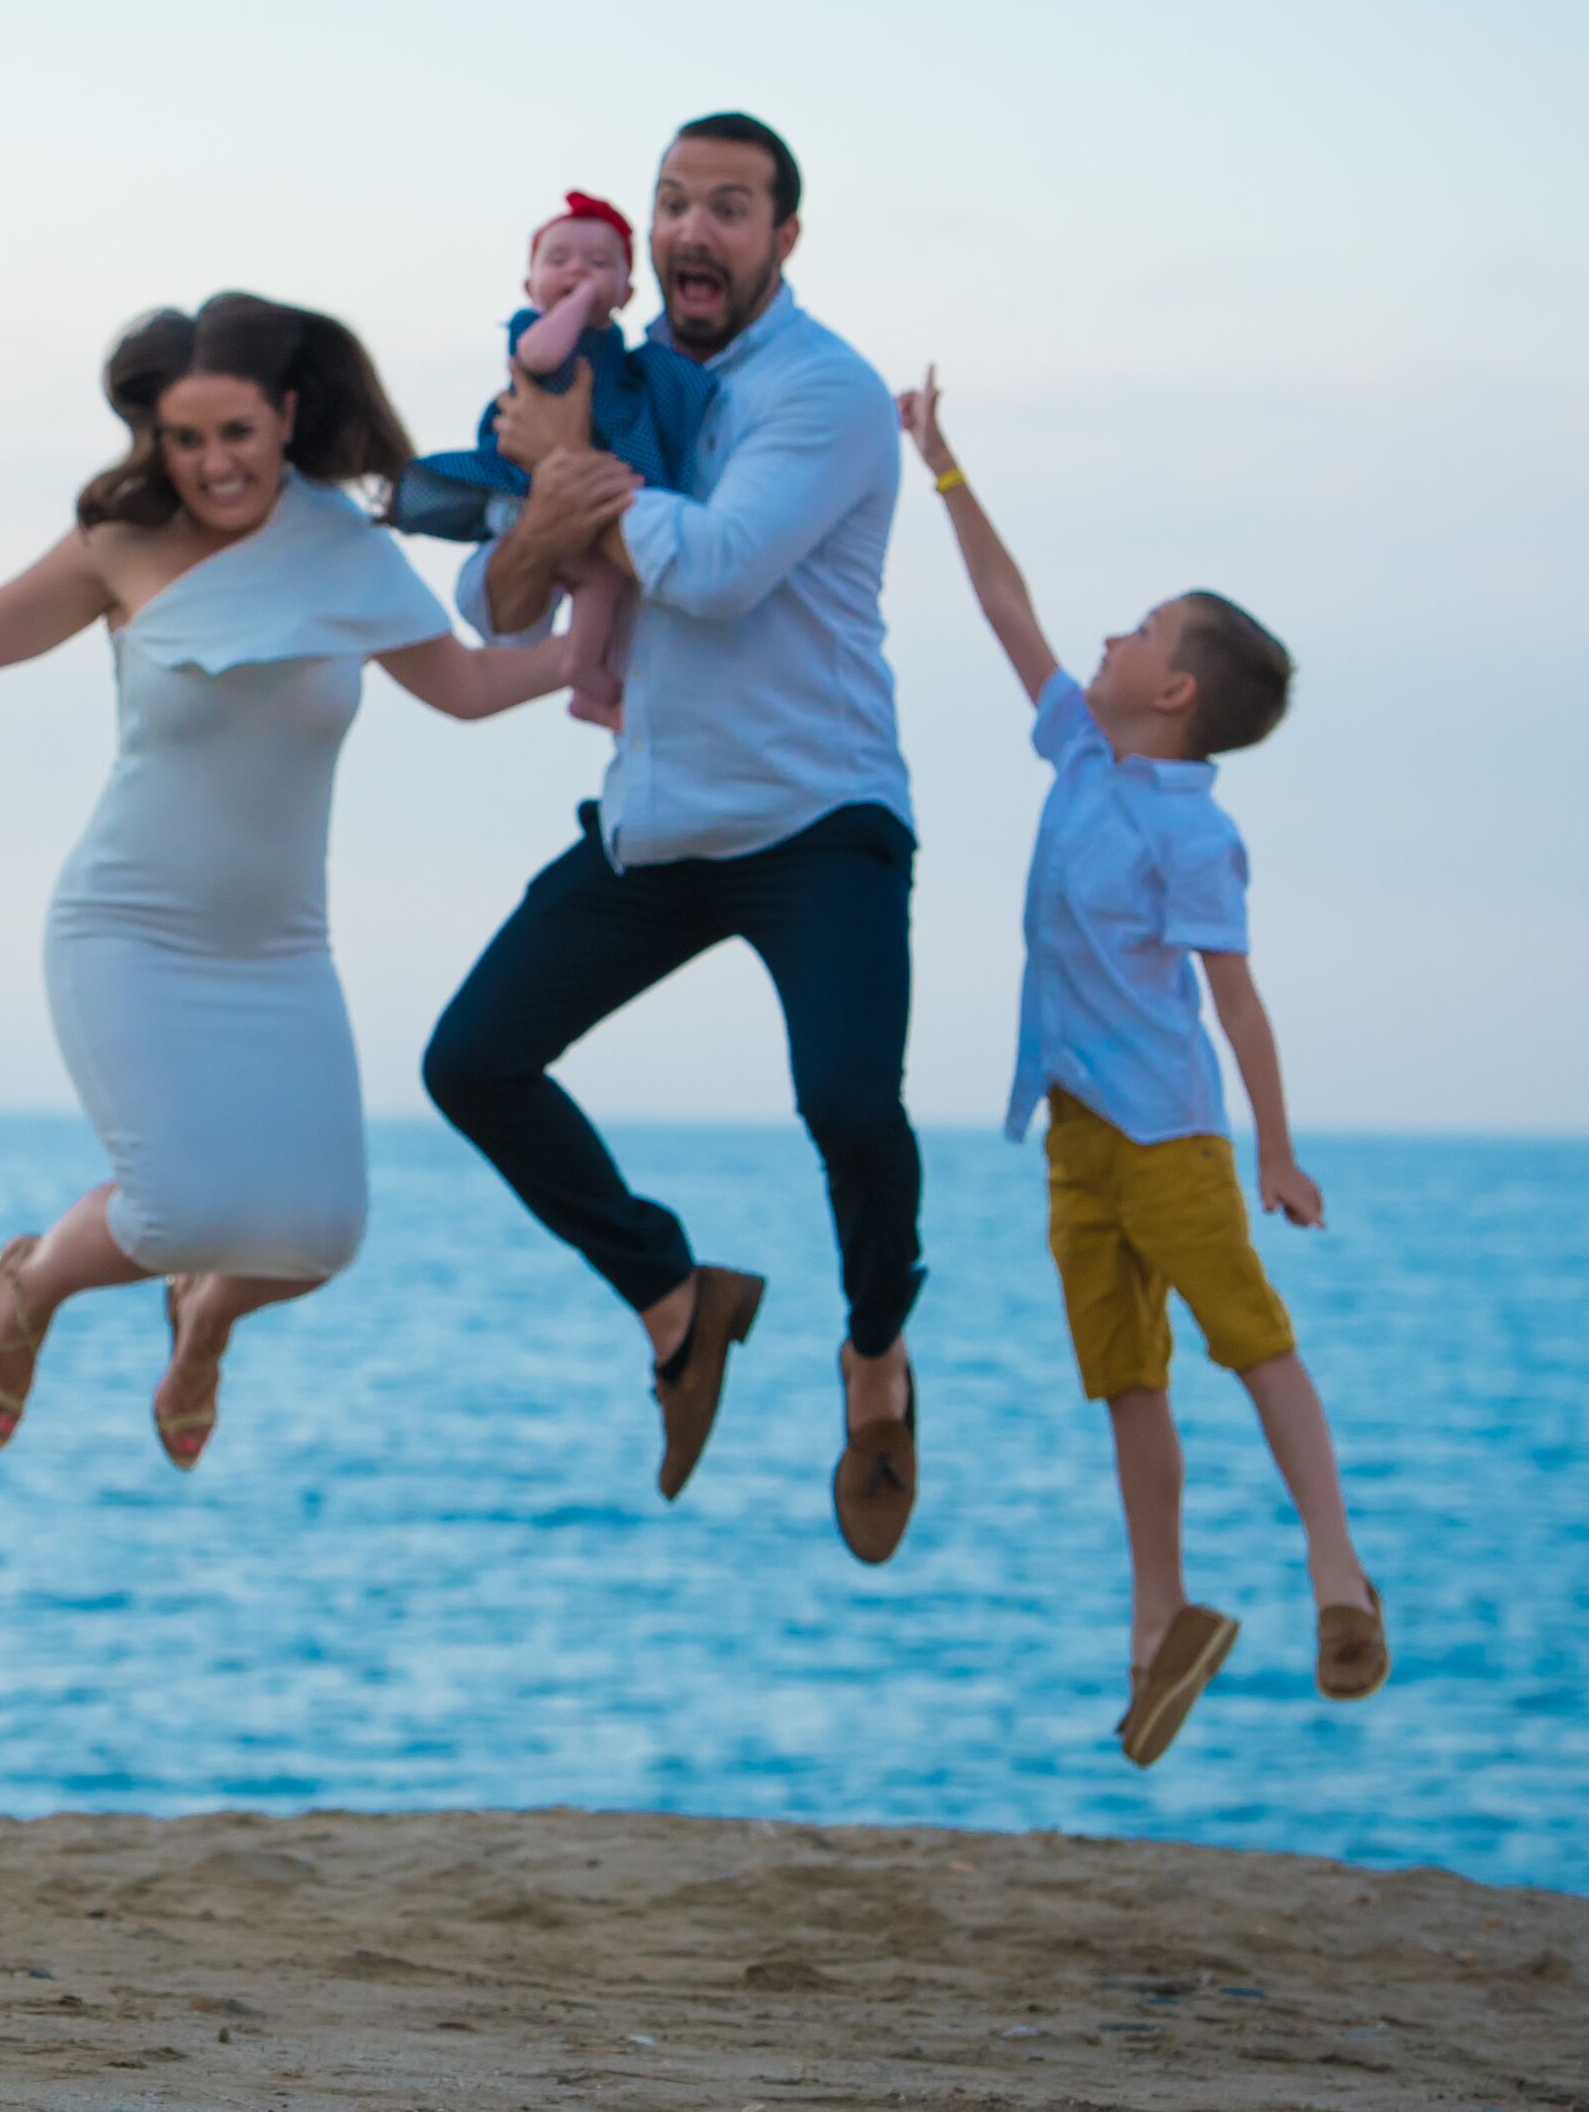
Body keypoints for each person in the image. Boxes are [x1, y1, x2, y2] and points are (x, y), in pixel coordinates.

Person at [0, 294, 568, 1472]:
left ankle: (203, 1316)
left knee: (321, 1235)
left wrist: (604, 649)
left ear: (286, 415)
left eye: (234, 432)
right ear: (154, 439)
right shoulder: (120, 545)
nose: (212, 464)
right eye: (185, 439)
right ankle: (28, 1284)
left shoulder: (344, 552)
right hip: (129, 928)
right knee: (180, 1203)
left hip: (282, 944)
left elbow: (472, 688)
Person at [419, 112, 931, 1563]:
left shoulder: (822, 395)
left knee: (845, 1104)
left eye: (729, 206)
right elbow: (496, 603)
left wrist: (579, 467)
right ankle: (673, 1297)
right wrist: (553, 492)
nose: (692, 231)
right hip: (658, 817)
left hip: (820, 812)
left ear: (783, 237)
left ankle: (876, 1354)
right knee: (472, 1062)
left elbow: (711, 569)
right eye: (671, 205)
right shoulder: (607, 377)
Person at [898, 370, 1387, 1765]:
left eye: (1141, 628)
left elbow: (1238, 1003)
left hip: (1171, 1136)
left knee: (1251, 1341)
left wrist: (1275, 1150)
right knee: (1127, 1379)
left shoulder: (1190, 828)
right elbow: (1006, 604)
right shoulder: (1078, 752)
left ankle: (1340, 1577)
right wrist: (944, 467)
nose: (1106, 634)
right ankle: (1157, 1622)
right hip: (1074, 1141)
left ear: (1171, 690)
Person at [386, 189, 716, 733]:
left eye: (598, 263)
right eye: (557, 261)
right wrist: (577, 304)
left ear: (628, 293)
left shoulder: (627, 358)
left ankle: (585, 674)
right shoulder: (534, 328)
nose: (577, 271)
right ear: (529, 285)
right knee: (580, 566)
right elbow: (539, 357)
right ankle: (579, 664)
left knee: (607, 583)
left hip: (587, 490)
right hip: (525, 487)